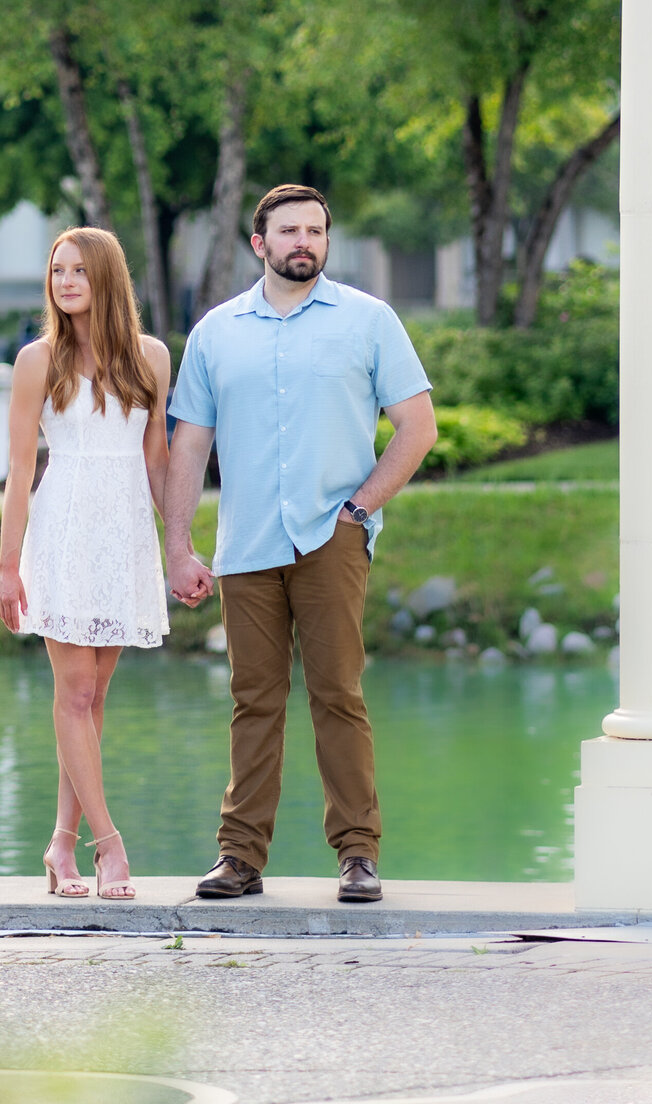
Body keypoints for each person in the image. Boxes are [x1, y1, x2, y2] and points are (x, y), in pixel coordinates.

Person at [163, 183, 437, 903]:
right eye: (289, 231)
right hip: (246, 546)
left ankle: (358, 854)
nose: (303, 242)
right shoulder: (217, 333)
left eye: (315, 230)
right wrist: (178, 545)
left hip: (331, 539)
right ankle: (240, 857)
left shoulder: (368, 321)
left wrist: (361, 508)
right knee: (253, 700)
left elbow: (418, 427)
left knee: (338, 694)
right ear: (260, 243)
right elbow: (189, 445)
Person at [0, 227, 172, 901]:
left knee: (93, 699)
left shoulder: (150, 357)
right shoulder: (38, 359)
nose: (65, 281)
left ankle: (60, 846)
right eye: (56, 270)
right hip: (62, 531)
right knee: (73, 694)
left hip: (123, 536)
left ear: (108, 278)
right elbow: (17, 470)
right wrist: (9, 567)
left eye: (79, 270)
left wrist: (176, 547)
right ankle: (110, 847)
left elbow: (157, 460)